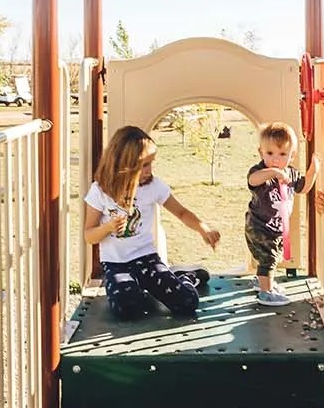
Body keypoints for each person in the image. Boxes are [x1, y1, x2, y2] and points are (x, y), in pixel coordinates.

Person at [84, 124, 221, 320]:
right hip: (116, 264)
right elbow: (89, 236)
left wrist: (203, 229)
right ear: (124, 164)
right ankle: (140, 288)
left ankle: (184, 276)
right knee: (126, 308)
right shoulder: (100, 191)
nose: (150, 170)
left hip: (146, 258)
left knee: (187, 303)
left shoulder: (153, 186)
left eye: (151, 163)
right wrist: (108, 227)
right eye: (144, 165)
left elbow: (181, 212)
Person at [245, 120, 318, 304]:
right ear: (261, 152)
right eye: (270, 153)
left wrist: (313, 171)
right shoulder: (260, 171)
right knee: (268, 258)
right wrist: (273, 173)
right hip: (259, 226)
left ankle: (263, 282)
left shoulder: (291, 174)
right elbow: (253, 180)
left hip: (276, 228)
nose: (275, 159)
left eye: (282, 154)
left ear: (292, 156)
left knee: (273, 257)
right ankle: (266, 292)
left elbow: (303, 188)